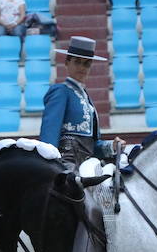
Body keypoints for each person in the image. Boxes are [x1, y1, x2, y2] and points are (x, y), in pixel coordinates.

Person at [40, 36, 123, 164]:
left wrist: (111, 146)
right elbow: (49, 134)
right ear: (67, 62)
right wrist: (49, 166)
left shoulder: (87, 99)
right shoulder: (61, 91)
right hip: (65, 164)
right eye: (77, 62)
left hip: (88, 164)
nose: (82, 68)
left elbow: (91, 145)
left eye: (86, 64)